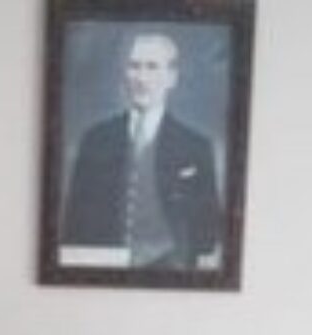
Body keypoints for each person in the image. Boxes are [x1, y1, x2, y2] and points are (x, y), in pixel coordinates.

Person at [60, 31, 223, 270]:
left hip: (170, 270)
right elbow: (74, 224)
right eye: (134, 66)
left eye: (152, 67)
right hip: (103, 267)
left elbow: (208, 232)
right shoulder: (96, 139)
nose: (141, 78)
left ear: (172, 77)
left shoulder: (195, 146)